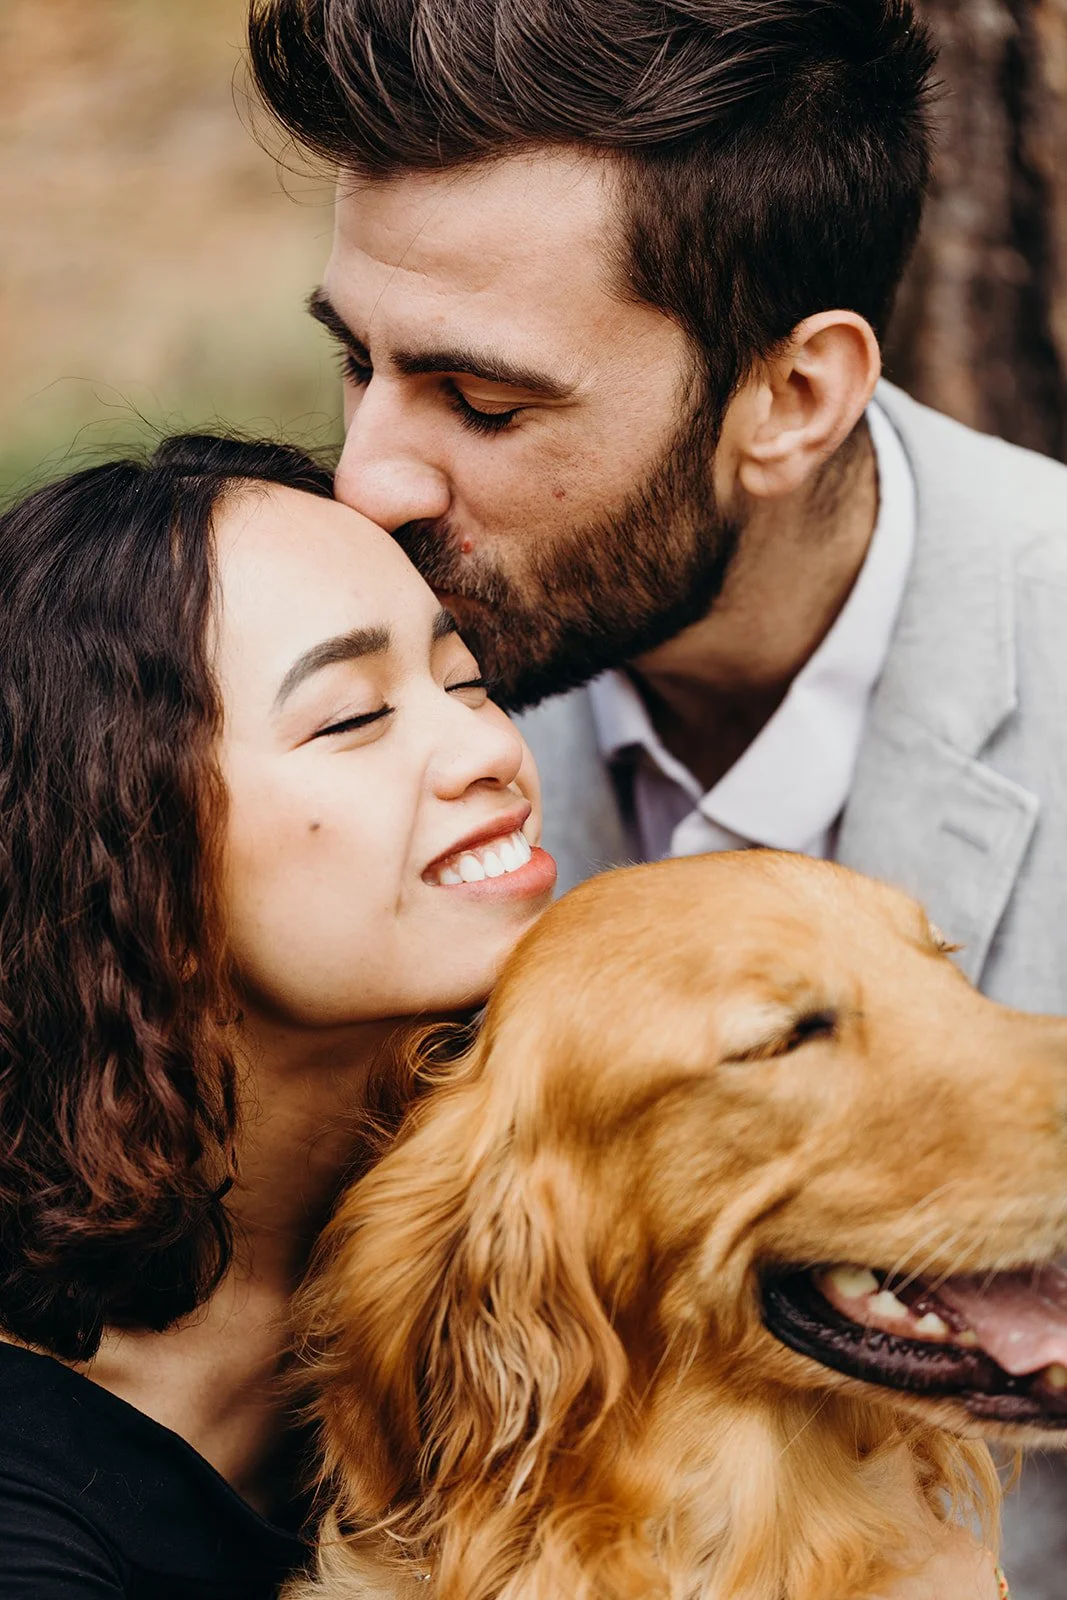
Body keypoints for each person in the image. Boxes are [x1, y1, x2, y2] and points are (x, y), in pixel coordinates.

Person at [247, 0, 1067, 1588]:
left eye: (484, 404)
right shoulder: (329, 732)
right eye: (358, 362)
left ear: (791, 400)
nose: (365, 478)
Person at [0, 434, 555, 1597]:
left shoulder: (519, 1249)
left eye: (464, 679)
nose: (491, 747)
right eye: (352, 717)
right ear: (124, 847)